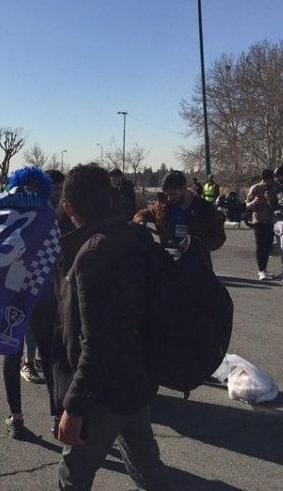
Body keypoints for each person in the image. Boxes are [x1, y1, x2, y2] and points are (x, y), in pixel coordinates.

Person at [53, 163, 171, 490]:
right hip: (137, 378)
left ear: (69, 208)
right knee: (147, 468)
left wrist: (75, 407)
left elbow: (97, 341)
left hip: (104, 391)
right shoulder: (135, 236)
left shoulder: (93, 254)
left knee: (72, 476)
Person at [2, 169, 66, 440]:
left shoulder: (7, 216)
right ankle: (56, 415)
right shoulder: (50, 215)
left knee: (13, 354)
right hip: (42, 294)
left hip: (14, 294)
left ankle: (17, 417)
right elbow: (60, 255)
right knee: (51, 357)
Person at [134, 170, 225, 269]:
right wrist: (140, 221)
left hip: (197, 267)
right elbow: (141, 214)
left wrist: (195, 245)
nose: (169, 198)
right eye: (167, 194)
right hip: (169, 265)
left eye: (173, 194)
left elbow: (219, 237)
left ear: (184, 189)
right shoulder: (162, 206)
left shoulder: (204, 208)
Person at [246, 169, 277, 280]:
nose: (270, 182)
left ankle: (264, 268)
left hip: (270, 220)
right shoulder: (255, 188)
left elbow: (277, 203)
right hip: (258, 221)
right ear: (264, 179)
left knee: (268, 246)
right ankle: (261, 271)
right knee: (260, 246)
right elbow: (247, 205)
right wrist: (254, 202)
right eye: (268, 180)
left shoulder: (274, 188)